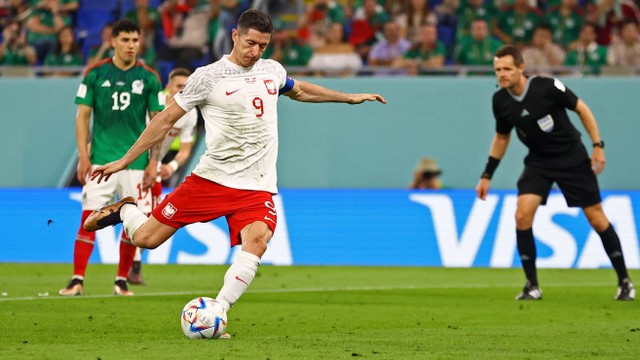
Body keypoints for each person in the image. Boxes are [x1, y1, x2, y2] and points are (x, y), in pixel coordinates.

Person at [83, 10, 385, 335]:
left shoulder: (272, 71)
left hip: (256, 186)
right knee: (145, 239)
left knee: (257, 240)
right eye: (251, 43)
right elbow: (164, 121)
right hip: (210, 180)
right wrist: (125, 160)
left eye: (263, 46)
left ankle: (217, 312)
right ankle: (126, 208)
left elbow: (300, 90)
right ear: (235, 36)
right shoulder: (207, 77)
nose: (256, 52)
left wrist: (348, 98)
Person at [476, 44, 635, 301]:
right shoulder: (501, 100)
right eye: (497, 70)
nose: (502, 74)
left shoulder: (547, 86)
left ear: (520, 68)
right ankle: (532, 285)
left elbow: (582, 109)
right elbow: (501, 138)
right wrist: (487, 175)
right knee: (522, 215)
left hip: (571, 158)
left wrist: (597, 146)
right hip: (538, 163)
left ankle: (625, 281)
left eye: (507, 68)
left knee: (596, 219)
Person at [58, 19, 164, 297]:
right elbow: (82, 116)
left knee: (132, 222)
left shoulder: (150, 77)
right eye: (126, 40)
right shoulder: (95, 73)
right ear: (113, 41)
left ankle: (121, 281)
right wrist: (83, 156)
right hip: (101, 161)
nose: (131, 45)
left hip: (137, 164)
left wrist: (154, 161)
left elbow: (158, 123)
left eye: (135, 40)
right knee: (87, 218)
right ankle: (77, 279)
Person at [128, 67, 198, 285]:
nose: (182, 90)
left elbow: (185, 150)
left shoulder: (190, 113)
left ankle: (134, 265)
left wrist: (173, 165)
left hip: (155, 166)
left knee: (149, 213)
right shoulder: (153, 101)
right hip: (133, 162)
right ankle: (130, 266)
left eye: (186, 87)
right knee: (134, 208)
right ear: (168, 86)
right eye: (178, 86)